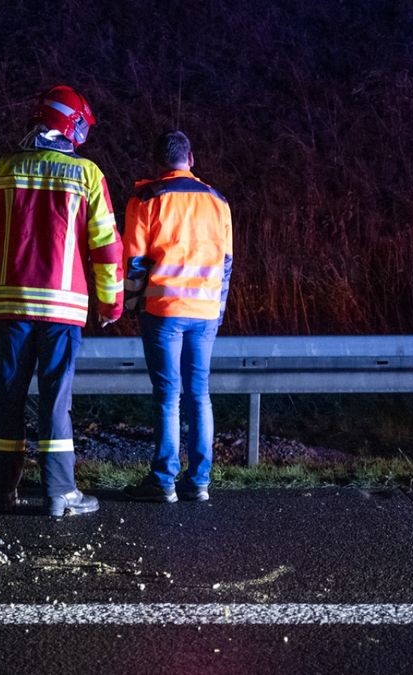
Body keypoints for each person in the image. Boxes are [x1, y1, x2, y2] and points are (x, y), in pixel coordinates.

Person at [0, 85, 123, 518]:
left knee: (8, 395)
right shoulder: (87, 174)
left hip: (9, 304)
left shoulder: (3, 170)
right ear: (71, 126)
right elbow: (106, 245)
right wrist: (111, 303)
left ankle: (2, 490)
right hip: (62, 308)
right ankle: (59, 492)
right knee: (56, 398)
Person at [122, 130, 233, 503]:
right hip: (204, 312)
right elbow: (227, 263)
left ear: (158, 161)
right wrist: (217, 310)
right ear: (192, 158)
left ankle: (163, 480)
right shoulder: (218, 201)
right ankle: (200, 480)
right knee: (199, 394)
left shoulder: (146, 198)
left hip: (163, 309)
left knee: (168, 395)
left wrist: (132, 306)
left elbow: (135, 261)